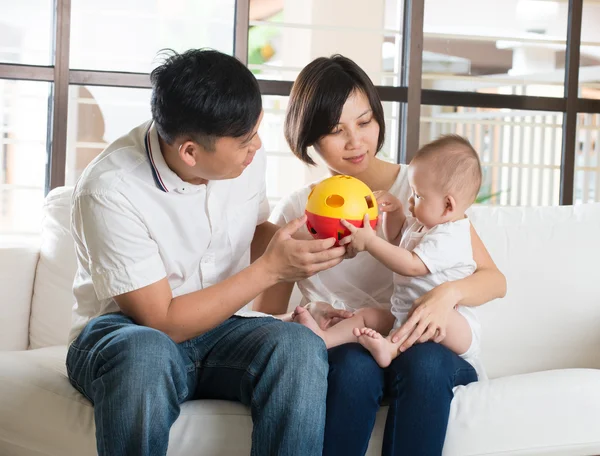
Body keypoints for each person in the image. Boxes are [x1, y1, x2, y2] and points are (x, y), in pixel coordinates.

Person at [65, 49, 347, 456]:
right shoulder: (110, 189)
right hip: (125, 335)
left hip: (222, 329)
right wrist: (270, 270)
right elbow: (160, 322)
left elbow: (252, 232)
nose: (257, 147)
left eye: (255, 132)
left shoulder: (245, 153)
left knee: (299, 346)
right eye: (244, 141)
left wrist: (314, 241)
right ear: (191, 153)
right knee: (147, 353)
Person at [254, 55, 507, 456]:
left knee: (425, 361)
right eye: (336, 130)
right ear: (309, 139)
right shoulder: (297, 213)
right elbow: (268, 320)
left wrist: (446, 296)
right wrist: (309, 316)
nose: (355, 142)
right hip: (352, 350)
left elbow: (494, 279)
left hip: (426, 351)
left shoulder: (424, 186)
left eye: (365, 122)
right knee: (354, 367)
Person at [293, 135, 485, 376]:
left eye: (418, 196)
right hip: (404, 313)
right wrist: (394, 213)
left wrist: (370, 242)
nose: (411, 200)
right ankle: (325, 338)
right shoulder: (422, 225)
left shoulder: (451, 236)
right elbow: (396, 240)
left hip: (452, 325)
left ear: (448, 206)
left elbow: (412, 265)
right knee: (366, 315)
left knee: (440, 318)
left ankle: (391, 349)